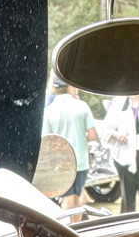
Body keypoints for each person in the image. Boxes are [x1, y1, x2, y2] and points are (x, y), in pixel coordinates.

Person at [41, 79, 98, 210]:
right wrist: (87, 145)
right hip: (81, 161)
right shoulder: (82, 106)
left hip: (61, 164)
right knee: (79, 197)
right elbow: (93, 135)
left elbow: (46, 142)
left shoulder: (48, 111)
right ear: (70, 87)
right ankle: (78, 228)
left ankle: (69, 228)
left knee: (67, 198)